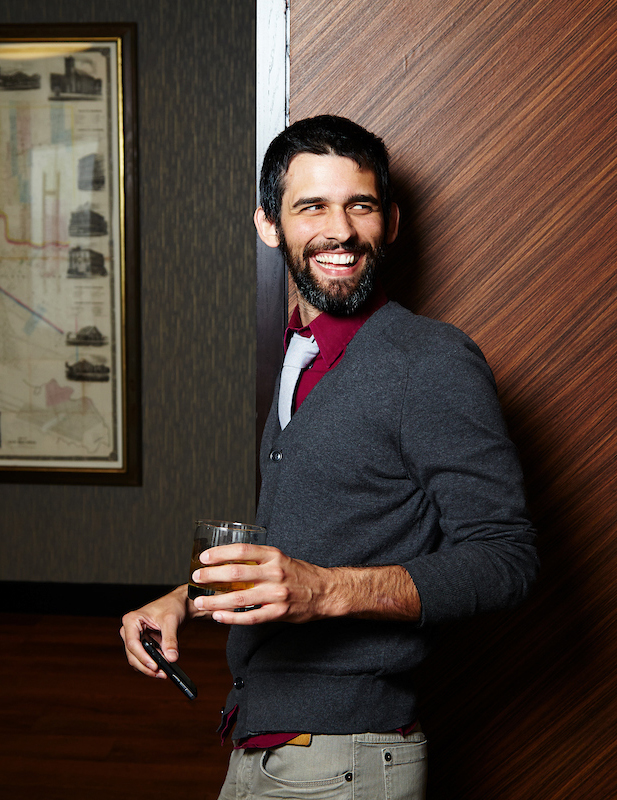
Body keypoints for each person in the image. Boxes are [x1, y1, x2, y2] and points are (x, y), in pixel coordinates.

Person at [121, 115, 539, 799]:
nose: (339, 231)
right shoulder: (300, 353)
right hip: (266, 738)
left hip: (345, 758)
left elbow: (506, 559)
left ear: (390, 222)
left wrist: (327, 592)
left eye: (360, 205)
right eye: (311, 206)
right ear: (269, 225)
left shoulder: (430, 361)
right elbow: (323, 532)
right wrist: (186, 600)